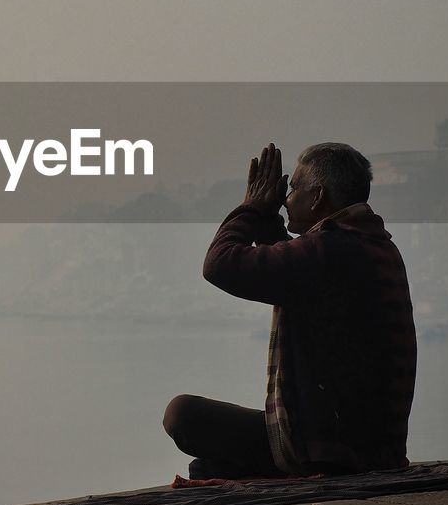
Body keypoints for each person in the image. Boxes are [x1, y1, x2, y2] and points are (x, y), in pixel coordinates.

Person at [163, 142, 416, 479]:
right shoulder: (371, 245)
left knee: (182, 415)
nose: (286, 197)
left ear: (317, 197)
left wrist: (250, 208)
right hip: (372, 448)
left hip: (332, 452)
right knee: (209, 467)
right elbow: (293, 276)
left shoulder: (330, 250)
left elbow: (219, 265)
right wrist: (267, 221)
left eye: (295, 187)